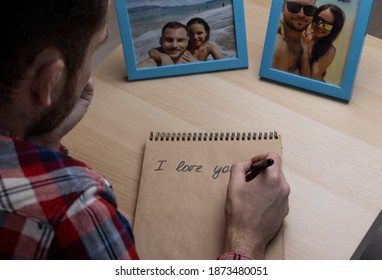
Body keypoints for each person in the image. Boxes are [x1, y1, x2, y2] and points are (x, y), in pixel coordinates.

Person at [0, 0, 290, 260]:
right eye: (95, 49)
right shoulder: (75, 214)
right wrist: (245, 238)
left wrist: (42, 142)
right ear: (49, 78)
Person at [300, 4, 345, 81]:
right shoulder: (304, 31)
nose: (320, 26)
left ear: (334, 29)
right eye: (318, 20)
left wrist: (304, 50)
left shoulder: (329, 52)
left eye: (328, 25)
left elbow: (310, 80)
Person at [272, 0, 317, 74]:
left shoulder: (306, 39)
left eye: (309, 9)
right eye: (294, 7)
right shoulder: (278, 40)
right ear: (282, 7)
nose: (301, 15)